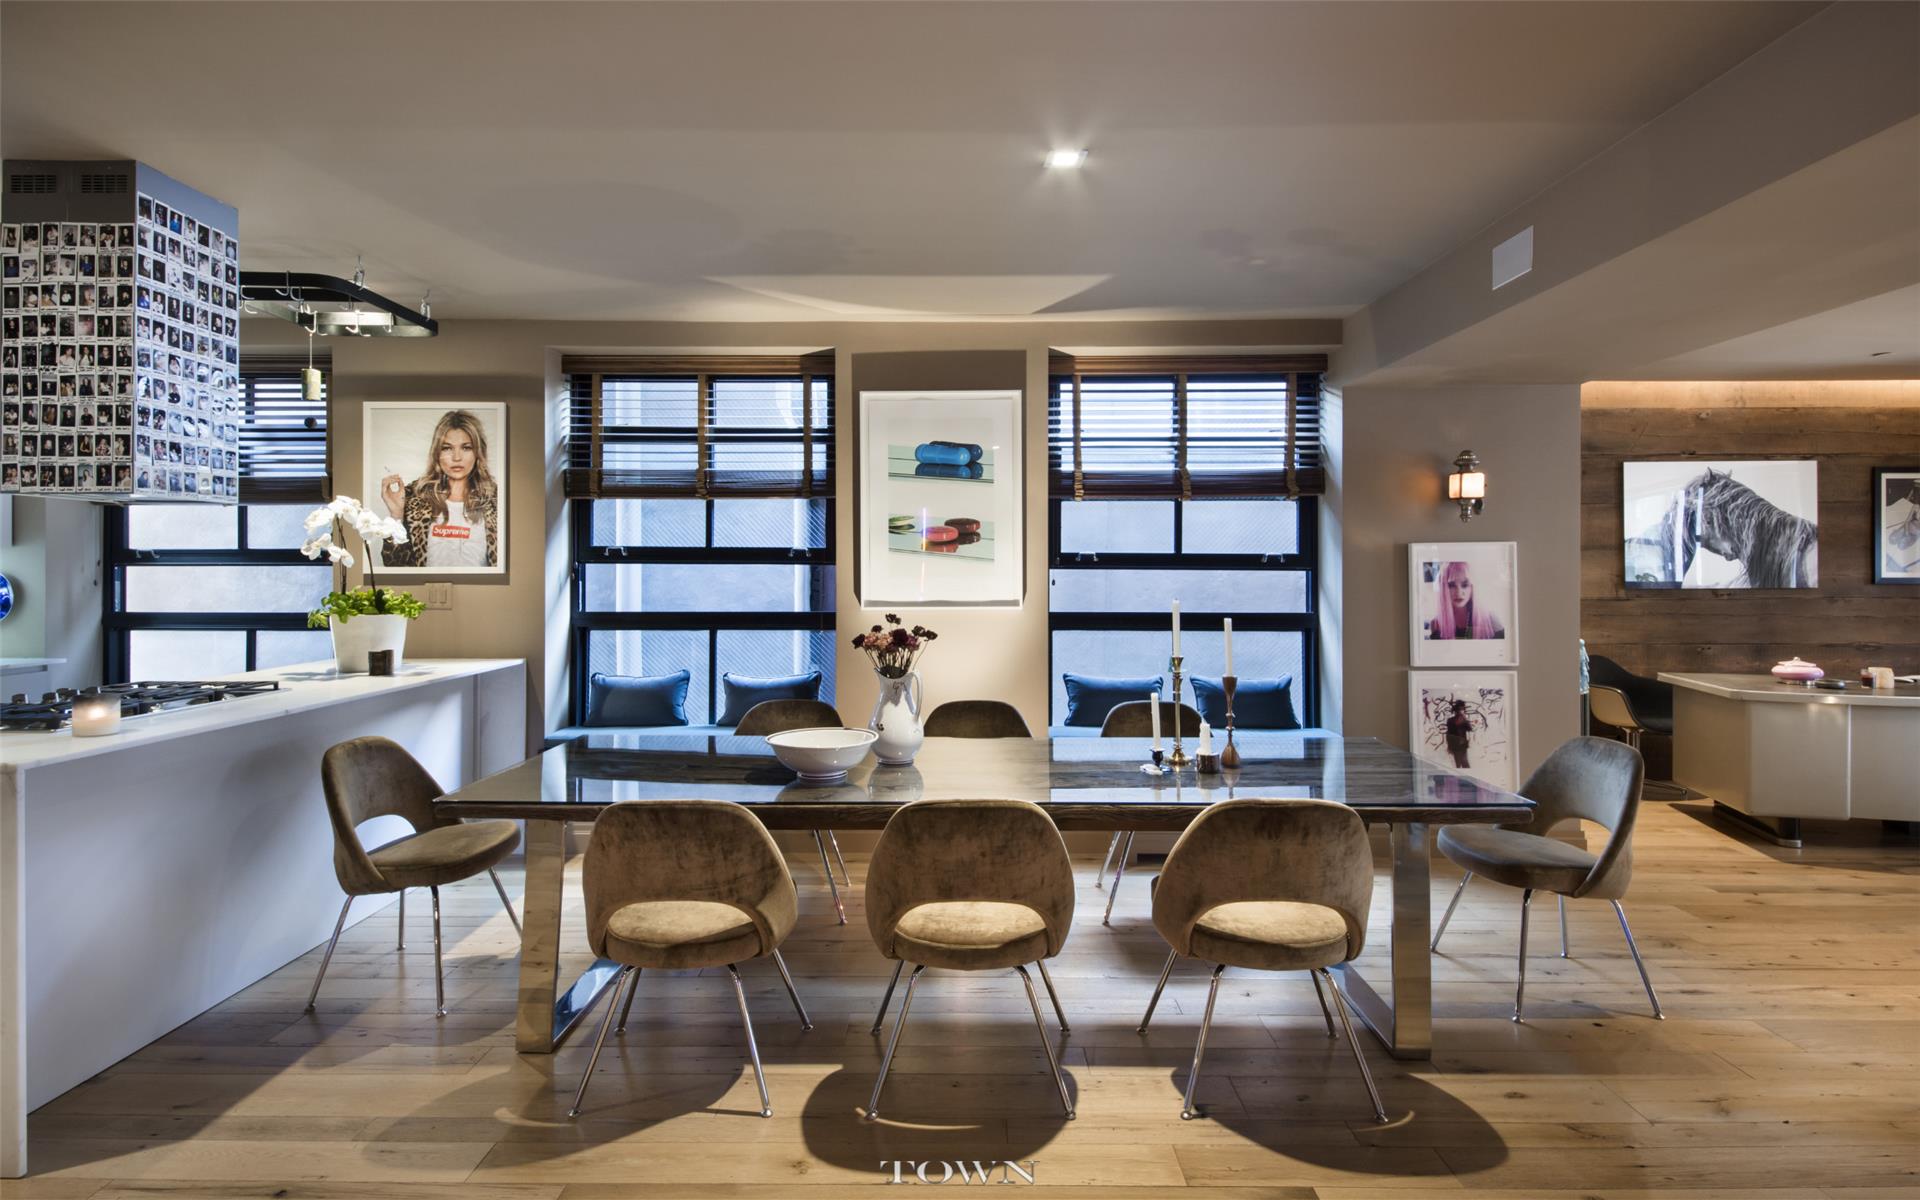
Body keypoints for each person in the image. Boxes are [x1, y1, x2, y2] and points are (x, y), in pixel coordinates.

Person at [380, 409, 500, 568]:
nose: (457, 457)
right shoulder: (414, 497)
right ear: (437, 453)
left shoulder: (496, 500)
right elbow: (394, 565)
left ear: (478, 452)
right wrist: (396, 515)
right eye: (447, 448)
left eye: (466, 447)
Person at [1426, 560, 1505, 640]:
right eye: (1451, 585)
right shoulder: (1436, 624)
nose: (1458, 593)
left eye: (1465, 585)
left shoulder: (1490, 620)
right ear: (1444, 589)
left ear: (1472, 587)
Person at [1444, 699, 1474, 769]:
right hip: (1455, 745)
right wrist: (1449, 746)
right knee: (1458, 764)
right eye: (1459, 710)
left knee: (1464, 763)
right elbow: (1449, 733)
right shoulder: (1450, 720)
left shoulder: (1463, 720)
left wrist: (1465, 720)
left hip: (1462, 745)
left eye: (1462, 709)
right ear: (1455, 711)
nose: (1461, 711)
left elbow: (1470, 729)